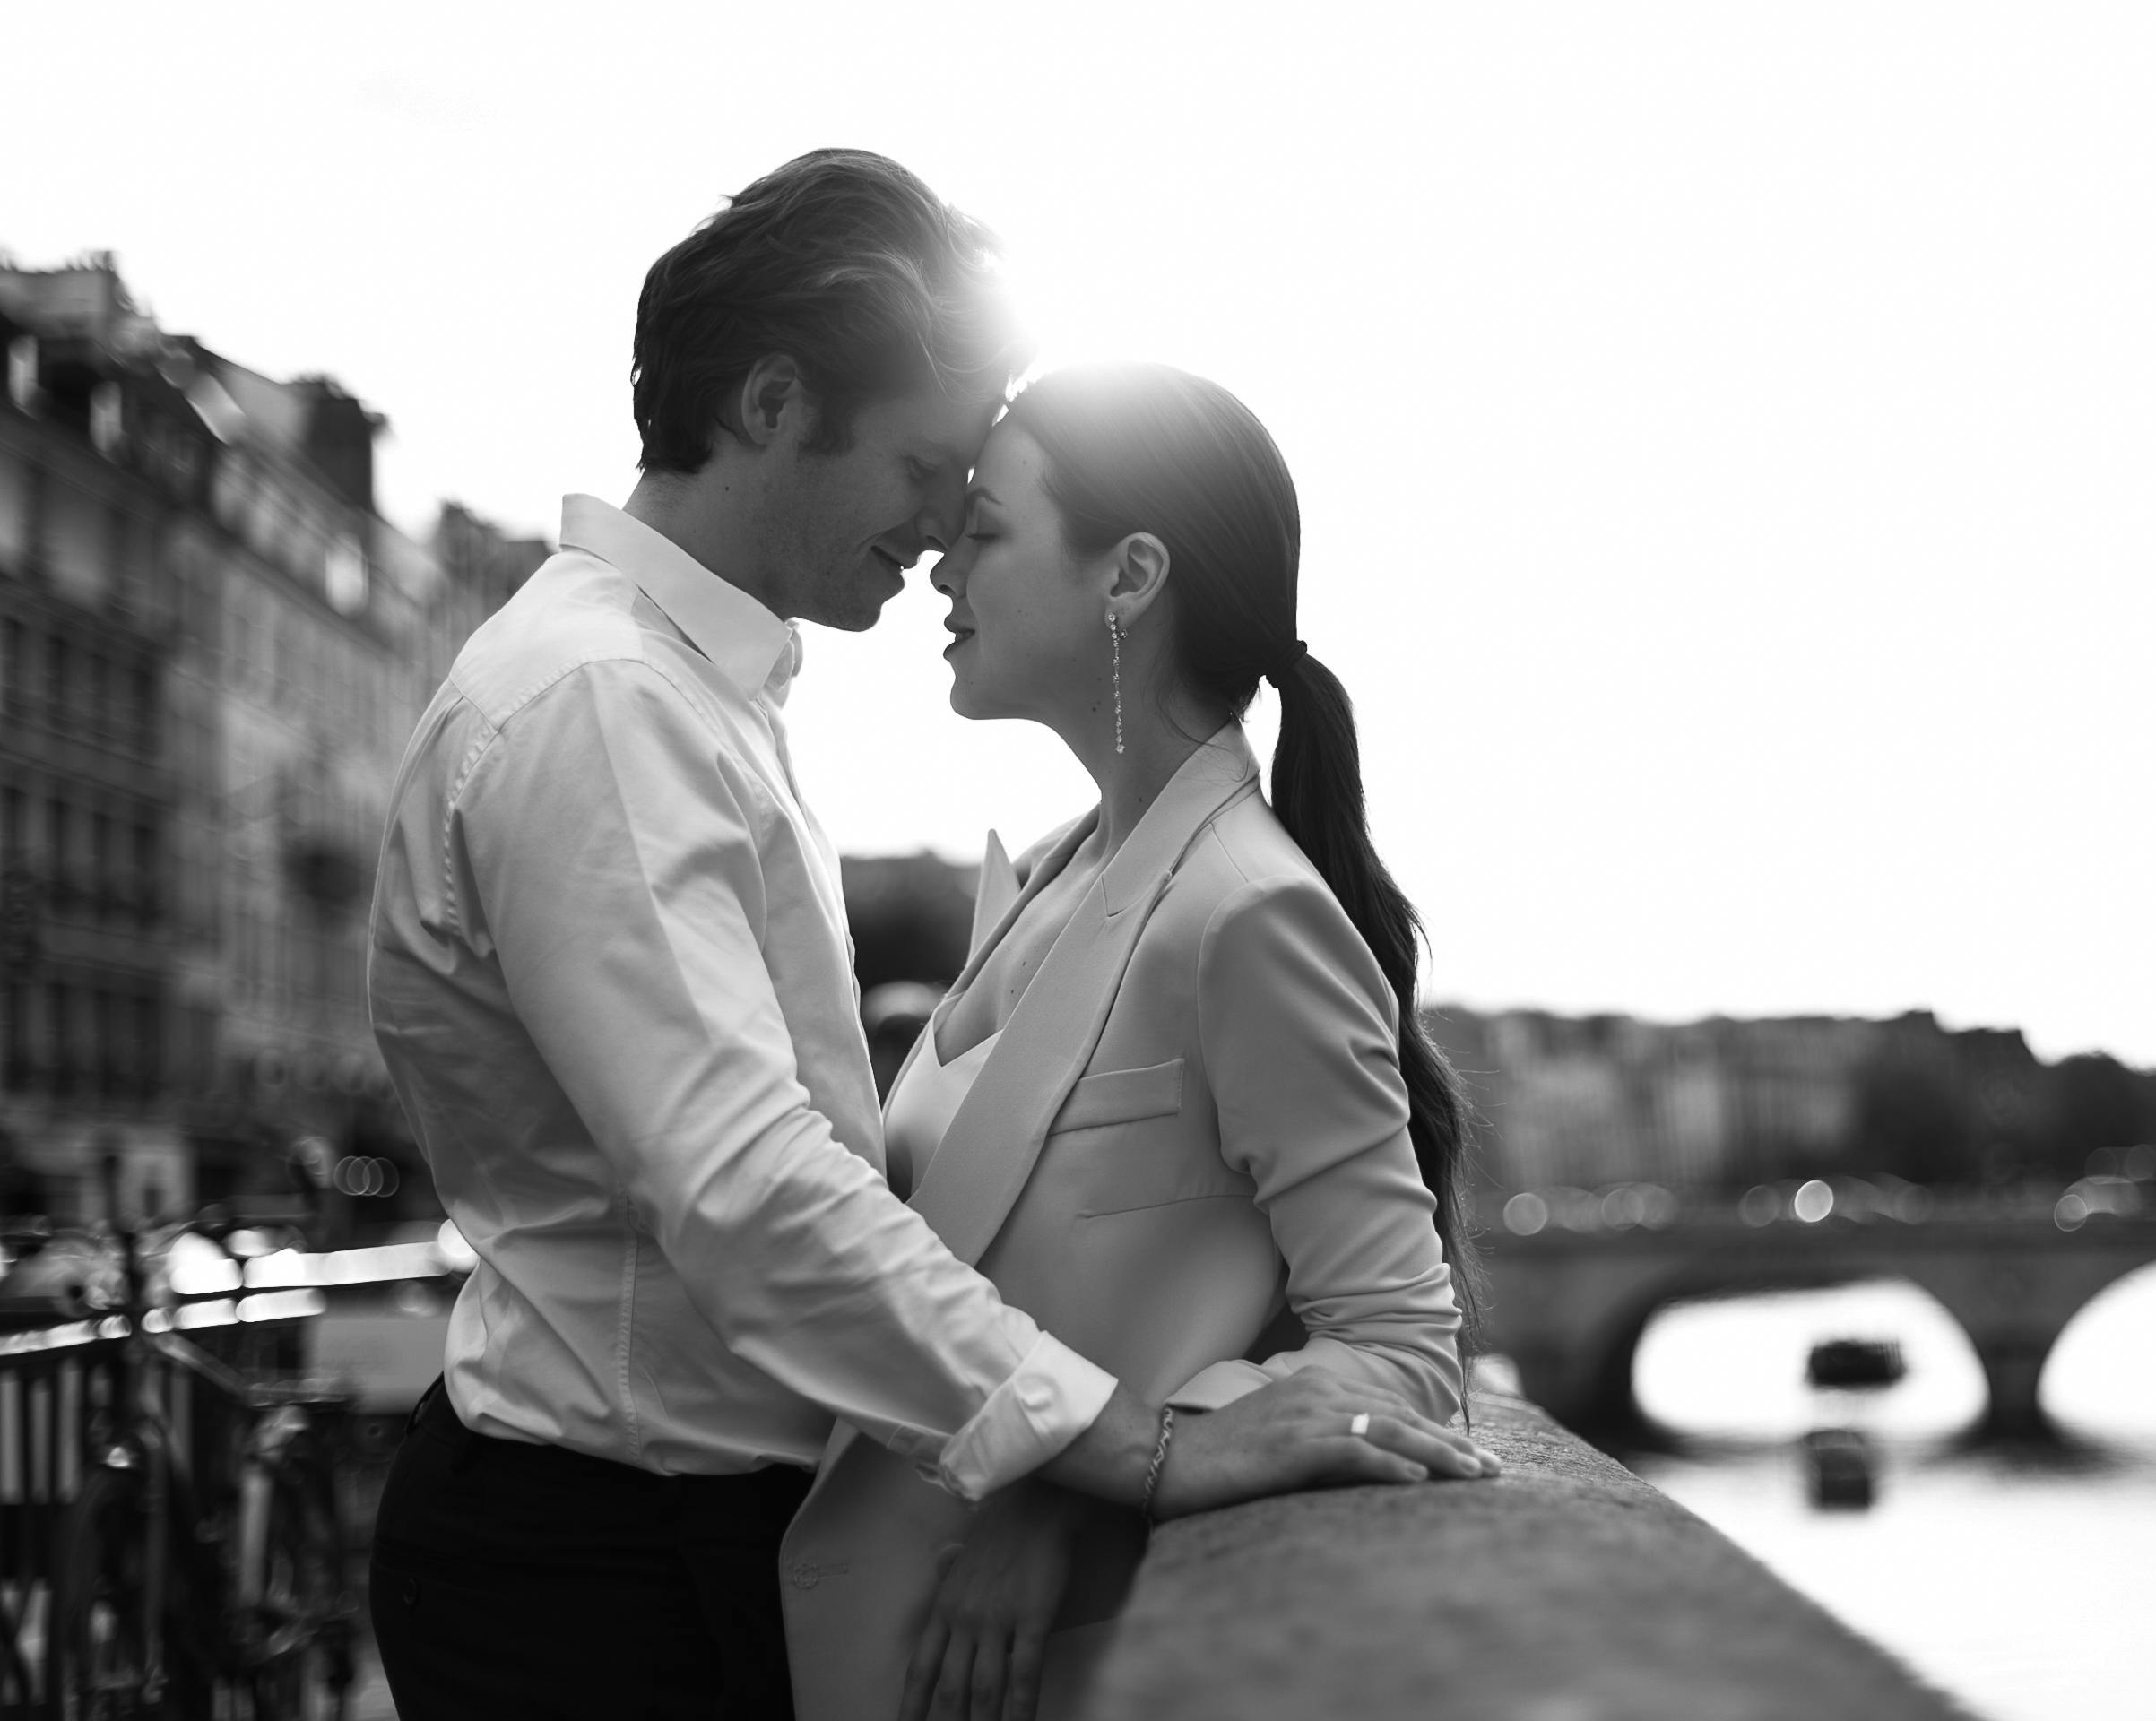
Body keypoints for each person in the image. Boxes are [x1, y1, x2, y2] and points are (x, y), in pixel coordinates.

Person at [363, 151, 1493, 1720]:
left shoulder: (692, 703)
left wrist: (1076, 1472)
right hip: (606, 1565)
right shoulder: (608, 707)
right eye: (924, 467)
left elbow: (1331, 1298)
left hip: (687, 1544)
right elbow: (753, 1189)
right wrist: (1121, 1452)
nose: (942, 530)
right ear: (771, 404)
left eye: (980, 497)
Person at [779, 362, 1477, 1721]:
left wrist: (1095, 1498)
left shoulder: (1250, 912)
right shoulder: (1056, 872)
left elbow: (1404, 1351)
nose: (939, 570)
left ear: (1128, 577)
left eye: (986, 532)